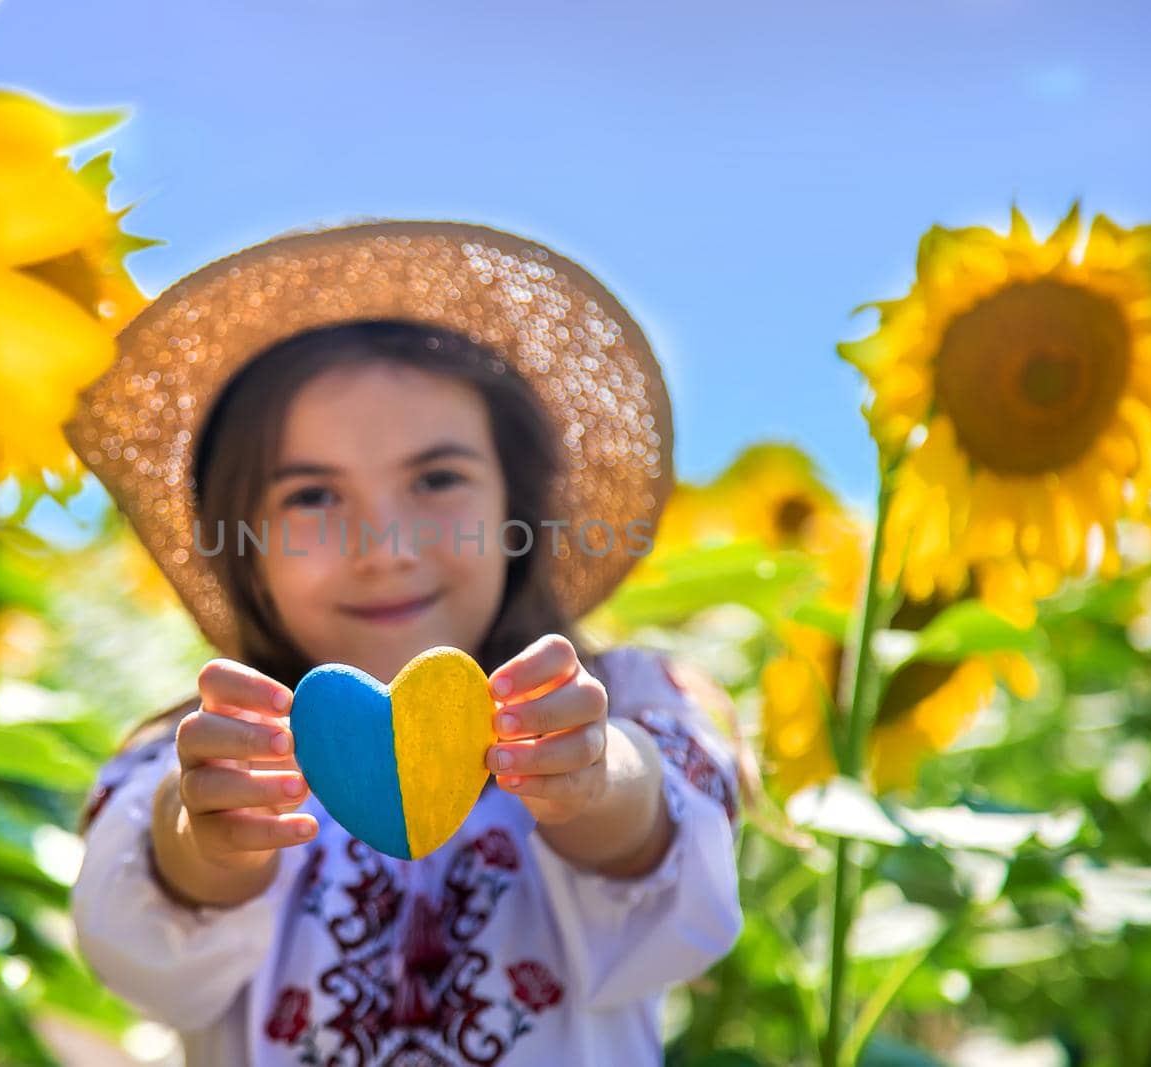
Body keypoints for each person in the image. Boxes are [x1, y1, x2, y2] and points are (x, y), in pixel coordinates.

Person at [65, 221, 743, 1066]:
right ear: (243, 544)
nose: (385, 546)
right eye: (312, 496)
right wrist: (206, 836)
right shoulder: (208, 747)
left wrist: (595, 779)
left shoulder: (619, 699)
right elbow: (143, 955)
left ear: (518, 509)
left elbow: (683, 896)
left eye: (436, 479)